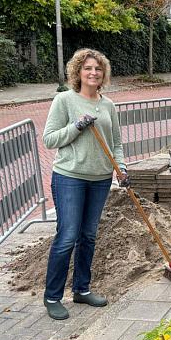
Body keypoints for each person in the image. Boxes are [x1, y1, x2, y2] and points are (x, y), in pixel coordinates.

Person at [42, 48, 129, 320]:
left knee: (89, 235)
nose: (93, 73)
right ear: (78, 72)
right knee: (68, 236)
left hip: (100, 179)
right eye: (88, 68)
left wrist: (122, 169)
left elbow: (116, 143)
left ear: (104, 74)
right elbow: (49, 139)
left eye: (98, 69)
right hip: (70, 177)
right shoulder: (65, 100)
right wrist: (77, 126)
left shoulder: (108, 105)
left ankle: (82, 289)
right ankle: (52, 297)